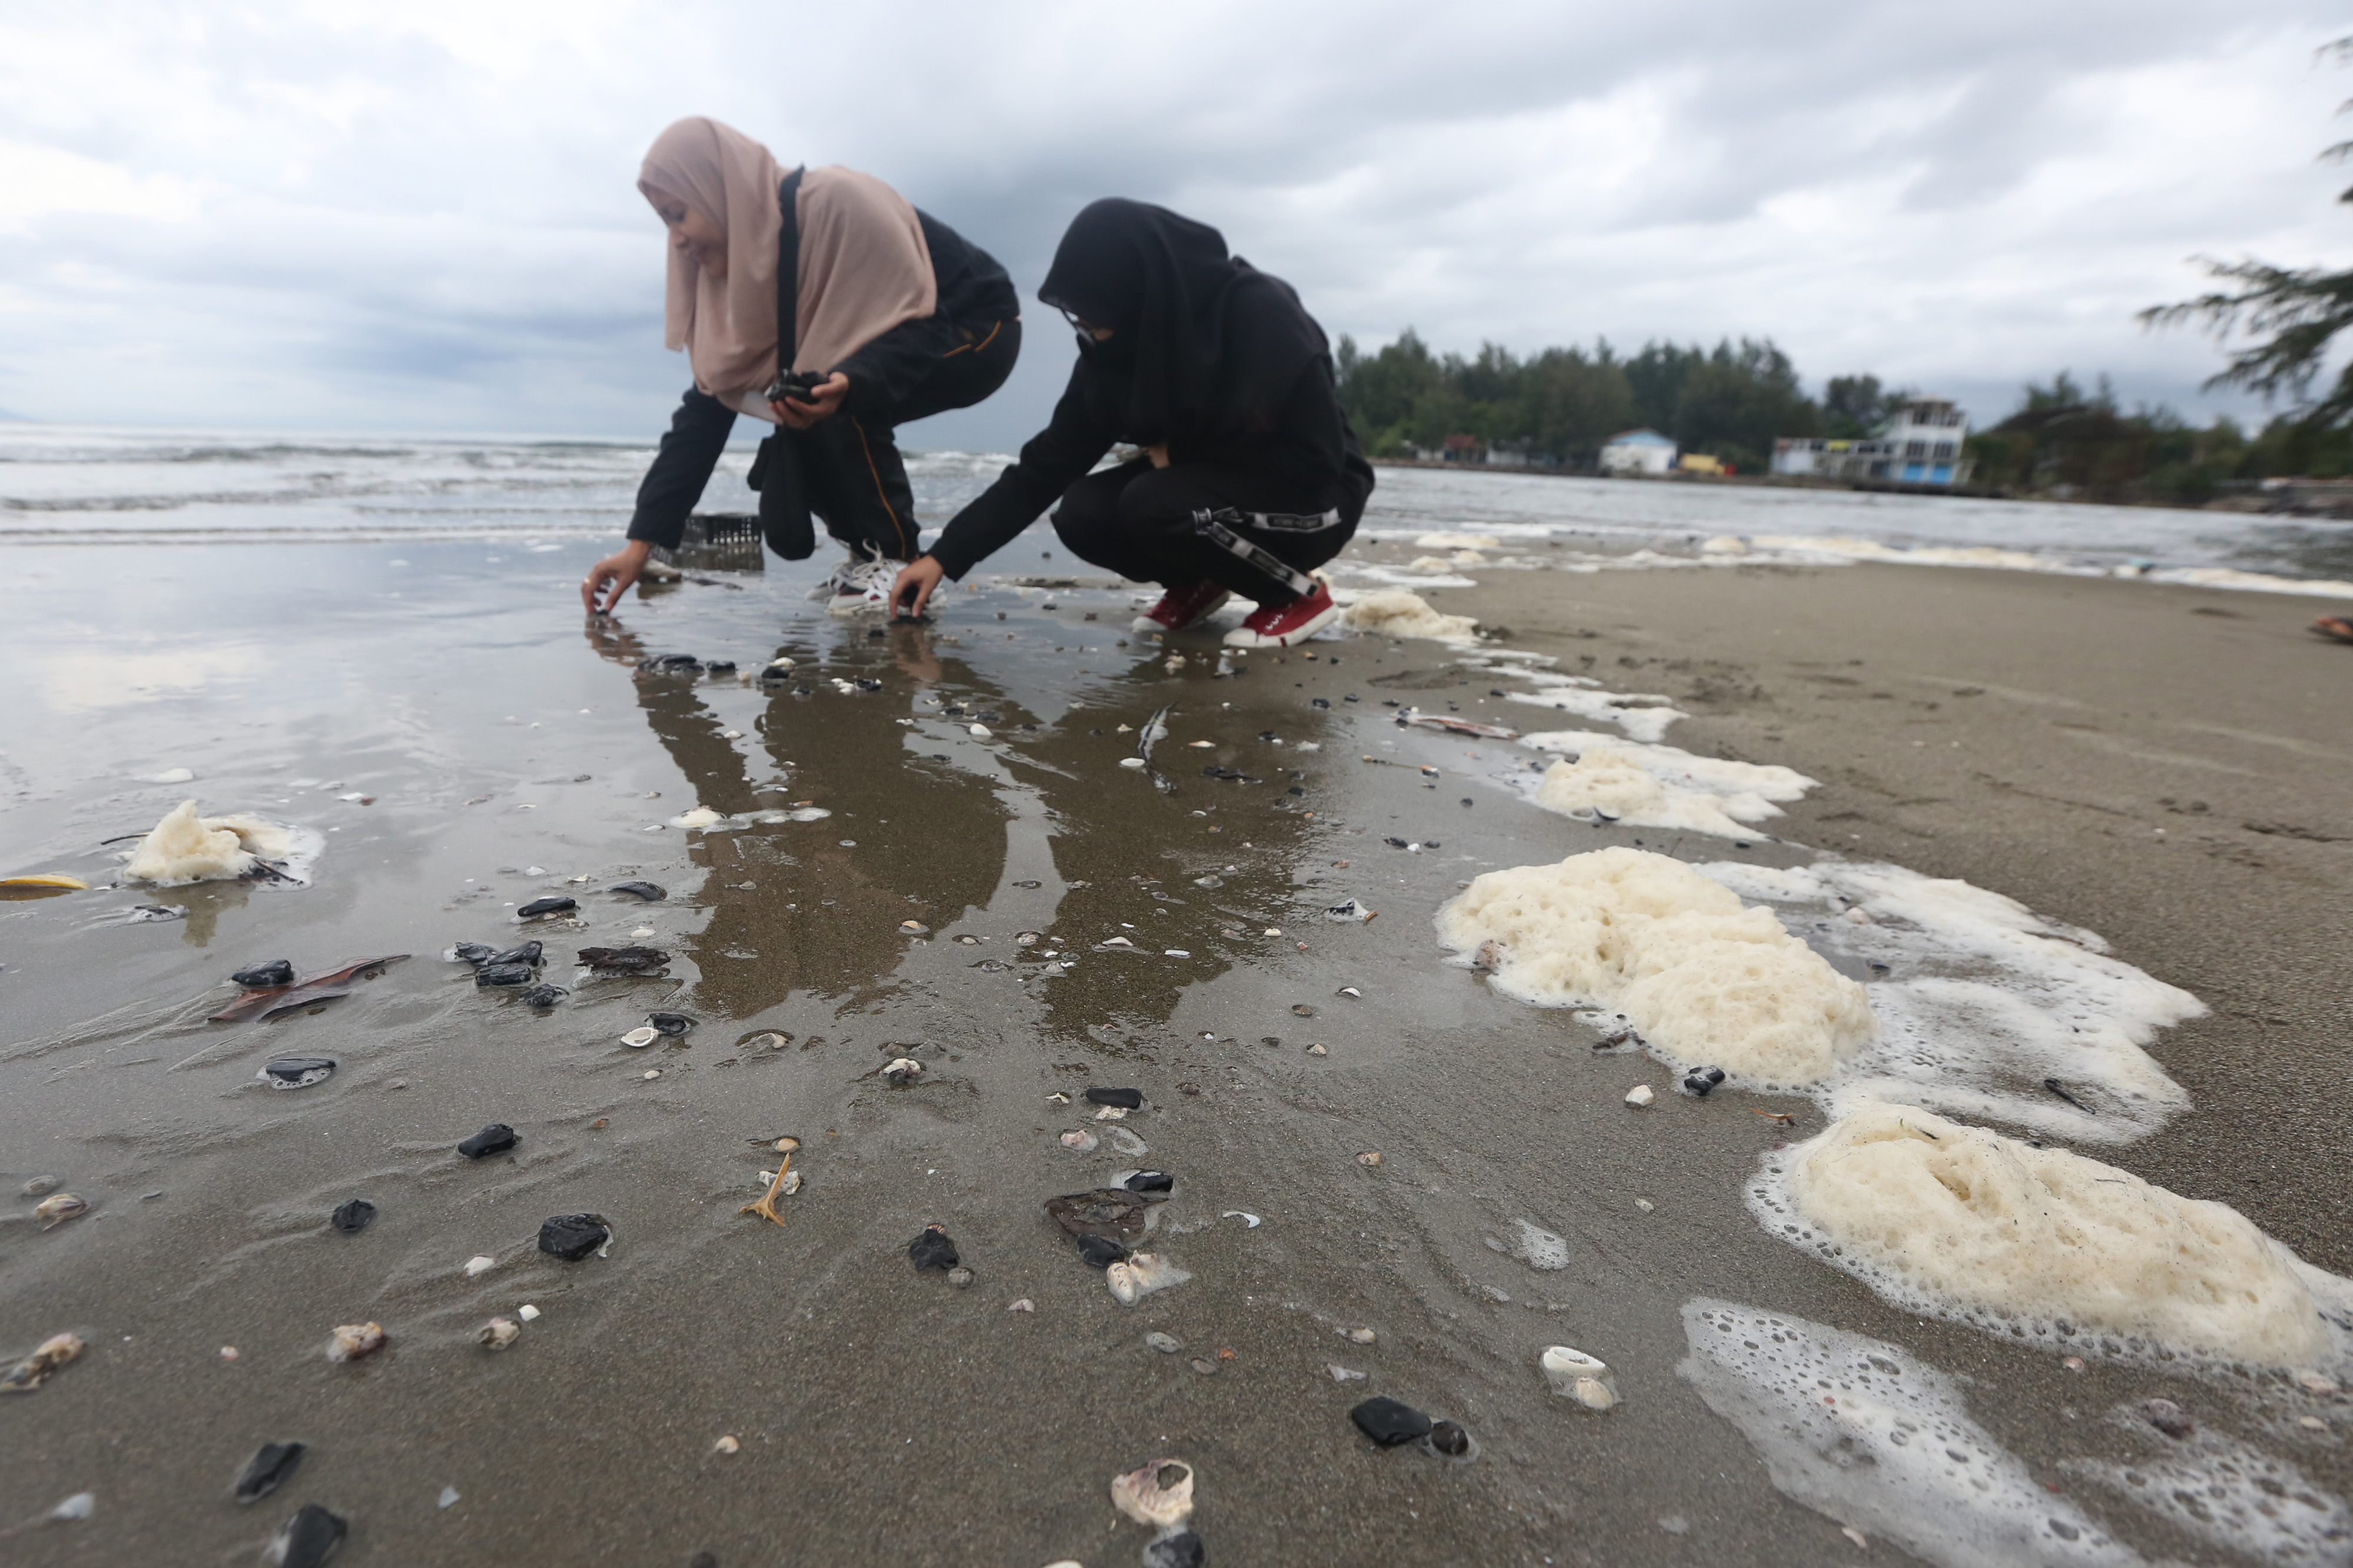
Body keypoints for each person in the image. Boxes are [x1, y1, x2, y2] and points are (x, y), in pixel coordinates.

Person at [582, 117, 1019, 616]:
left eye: (680, 213)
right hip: (891, 341)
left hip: (975, 326)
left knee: (832, 393)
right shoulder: (742, 269)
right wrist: (641, 545)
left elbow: (925, 324)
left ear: (718, 189)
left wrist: (853, 382)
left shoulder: (838, 203)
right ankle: (869, 554)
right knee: (802, 400)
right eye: (666, 222)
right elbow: (706, 408)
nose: (677, 239)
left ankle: (898, 561)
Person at [890, 198, 1373, 648]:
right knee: (1082, 510)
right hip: (1212, 496)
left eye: (1094, 313)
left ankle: (1296, 596)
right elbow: (1045, 468)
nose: (1086, 327)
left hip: (1320, 500)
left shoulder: (1257, 312)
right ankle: (1198, 581)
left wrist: (1179, 454)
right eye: (1077, 316)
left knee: (1156, 503)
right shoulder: (1115, 352)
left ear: (1138, 291)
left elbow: (1318, 459)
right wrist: (944, 556)